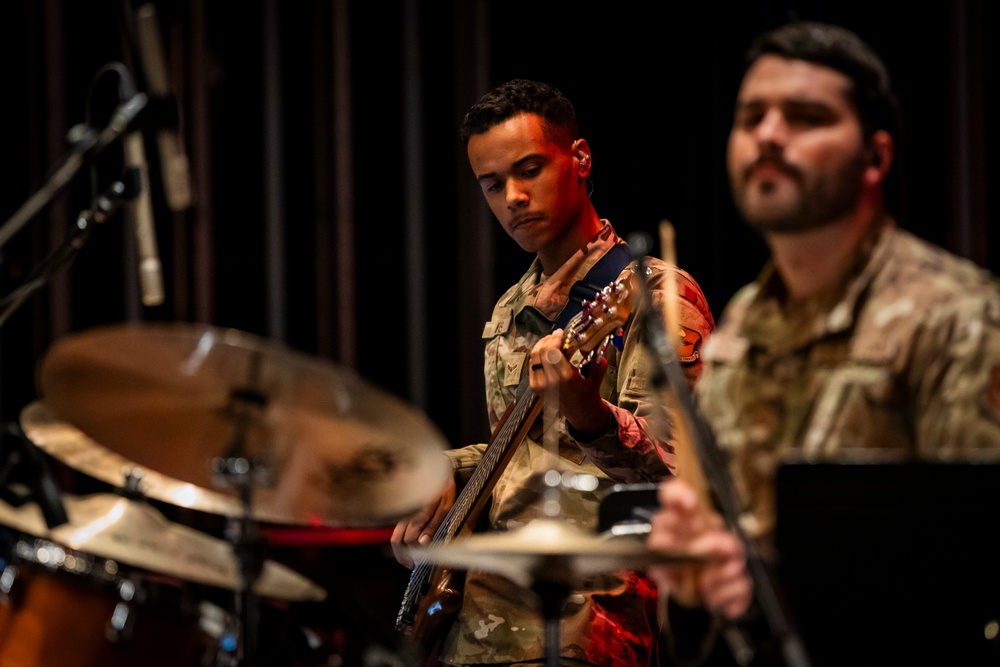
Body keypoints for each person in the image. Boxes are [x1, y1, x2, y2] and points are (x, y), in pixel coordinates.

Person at [645, 21, 1000, 667]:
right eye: (752, 115)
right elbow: (706, 612)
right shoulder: (745, 321)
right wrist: (694, 586)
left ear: (876, 157)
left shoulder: (958, 314)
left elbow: (980, 580)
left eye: (806, 117)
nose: (769, 134)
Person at [390, 79, 715, 667]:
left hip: (585, 630)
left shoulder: (656, 294)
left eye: (530, 169)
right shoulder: (510, 310)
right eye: (492, 185)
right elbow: (523, 457)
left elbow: (682, 482)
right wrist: (446, 466)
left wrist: (593, 416)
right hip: (476, 630)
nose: (512, 197)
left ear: (581, 158)